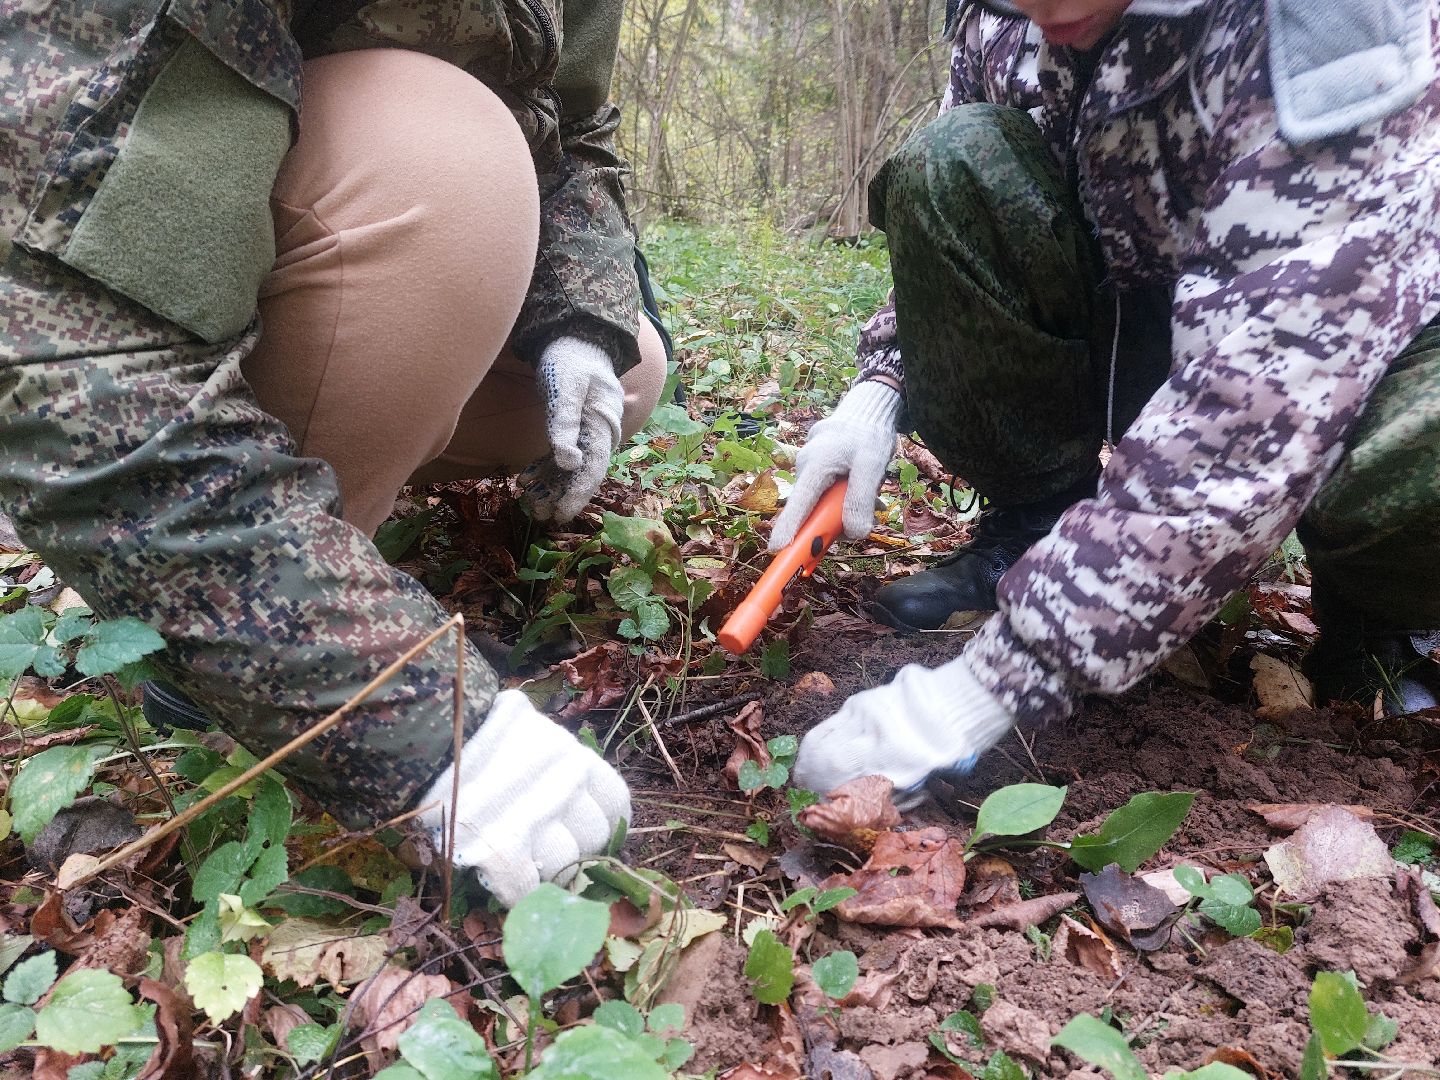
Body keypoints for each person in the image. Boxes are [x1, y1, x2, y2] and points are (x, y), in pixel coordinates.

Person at [0, 0, 665, 905]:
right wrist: (415, 716)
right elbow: (64, 367)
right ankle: (216, 637)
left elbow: (573, 122)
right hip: (197, 262)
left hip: (328, 235)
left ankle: (332, 513)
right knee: (450, 161)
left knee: (634, 369)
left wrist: (583, 321)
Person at [771, 0, 1440, 802]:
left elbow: (1256, 399)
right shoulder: (1011, 16)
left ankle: (1378, 614)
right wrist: (878, 392)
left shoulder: (1332, 25)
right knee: (950, 159)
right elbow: (968, 206)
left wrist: (987, 688)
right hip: (1140, 316)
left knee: (1407, 460)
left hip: (1365, 338)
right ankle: (1036, 527)